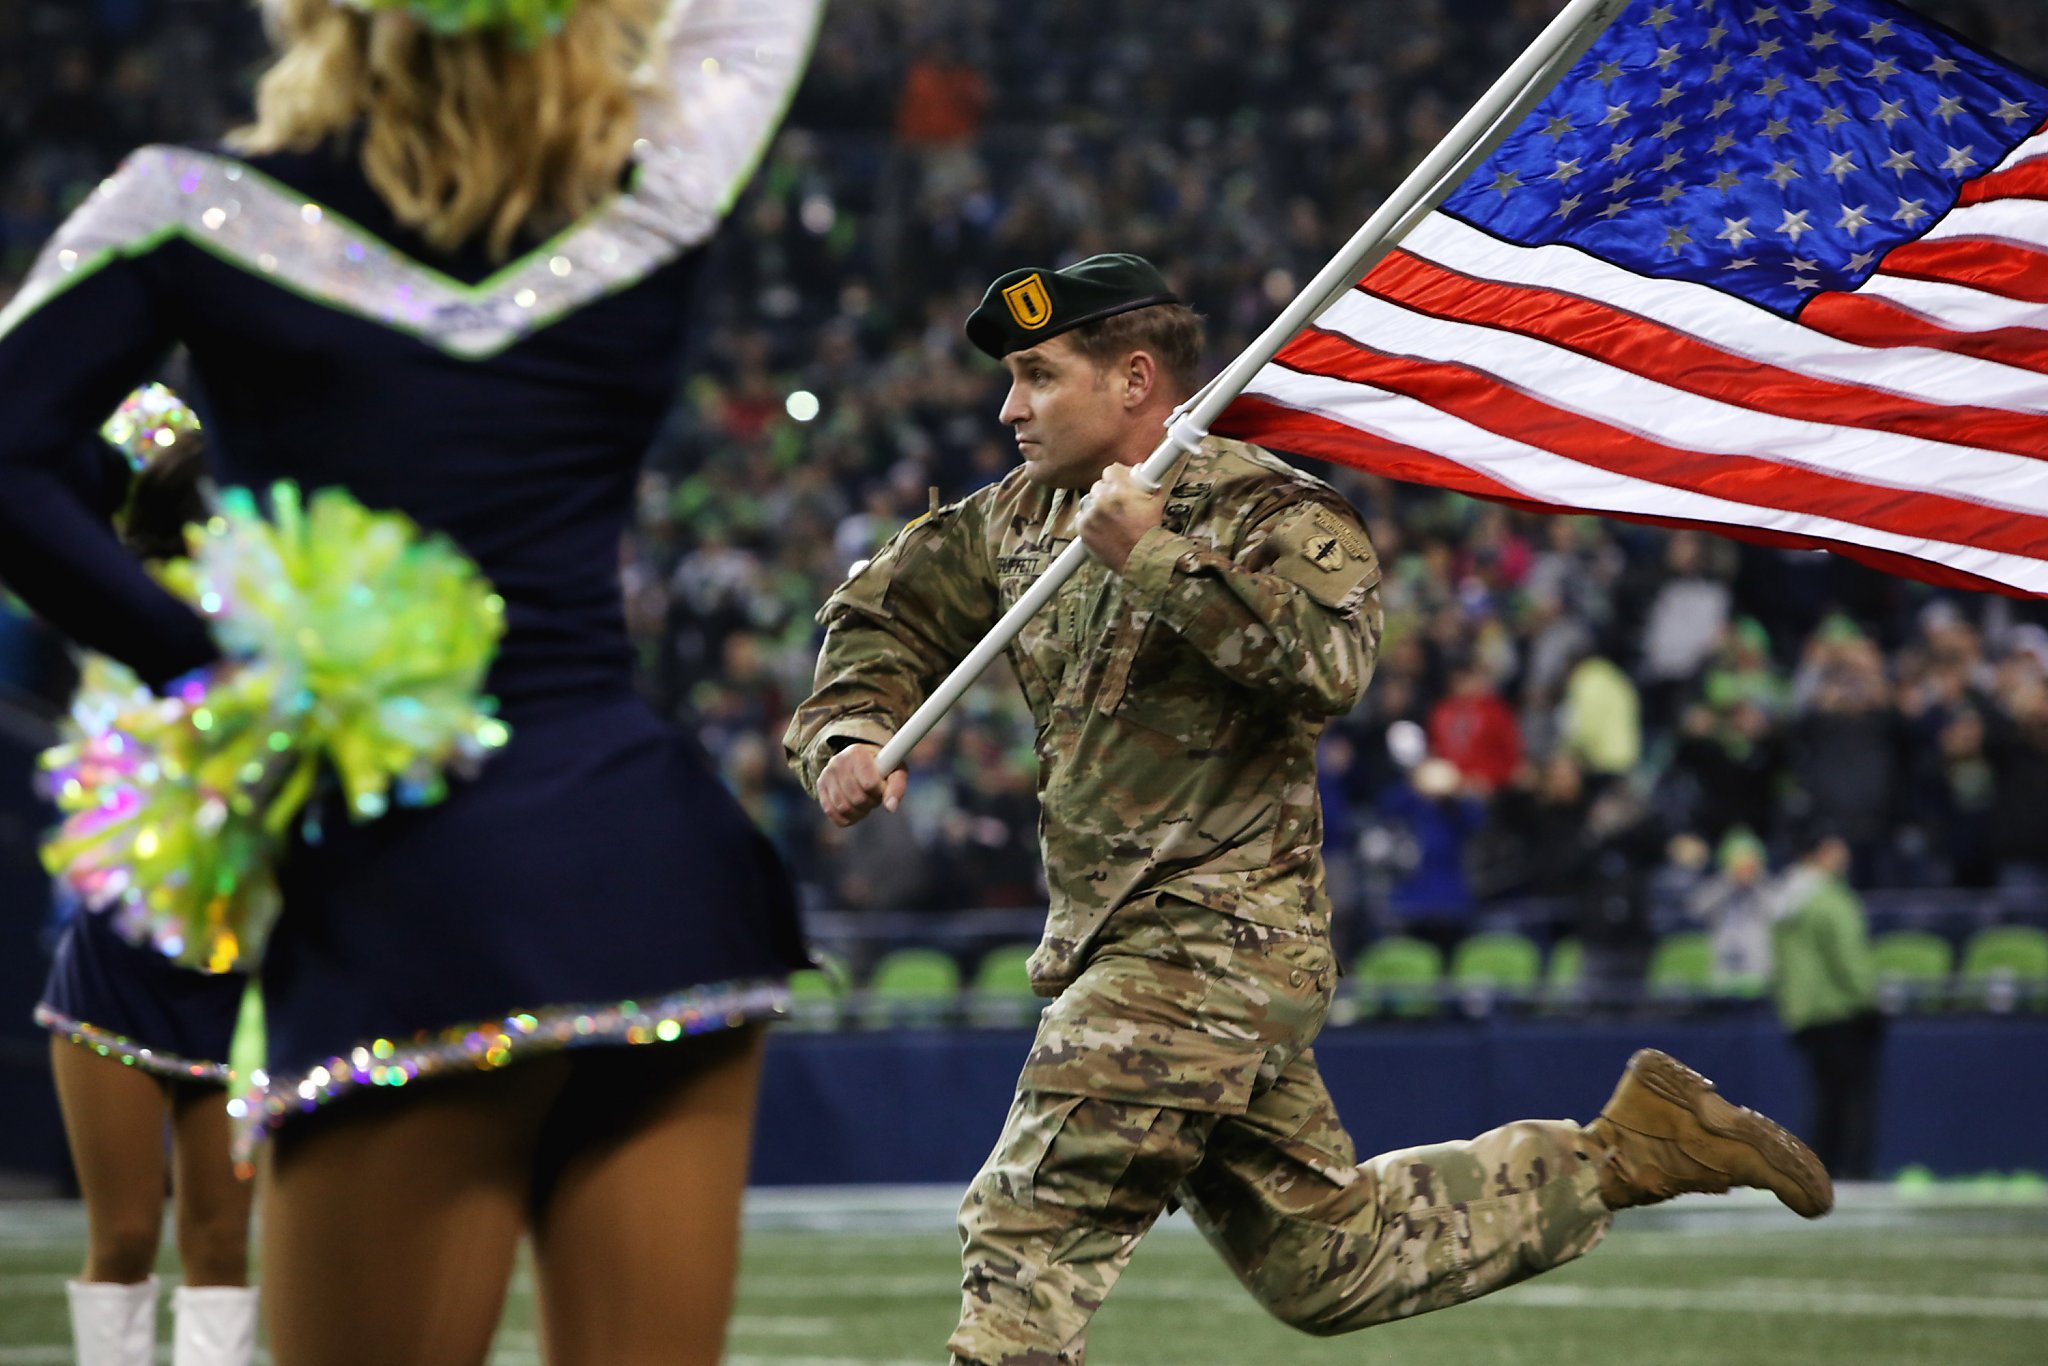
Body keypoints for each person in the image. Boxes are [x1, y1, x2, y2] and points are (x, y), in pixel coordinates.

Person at [785, 255, 1835, 1366]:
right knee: (1327, 1262)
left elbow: (1326, 662)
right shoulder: (1016, 521)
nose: (1008, 408)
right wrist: (847, 733)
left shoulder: (1267, 508)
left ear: (1133, 378)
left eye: (1038, 375)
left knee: (1033, 1215)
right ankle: (1626, 1151)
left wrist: (1152, 556)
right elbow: (882, 616)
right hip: (1123, 940)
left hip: (1214, 941)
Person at [0, 1, 821, 1362]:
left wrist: (207, 672)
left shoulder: (189, 210)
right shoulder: (663, 187)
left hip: (407, 897)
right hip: (657, 873)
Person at [33, 405, 257, 1366]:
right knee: (121, 1239)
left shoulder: (282, 637)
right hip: (118, 958)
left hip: (238, 962)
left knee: (220, 1242)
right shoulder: (120, 610)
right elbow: (45, 476)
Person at [1769, 832, 1885, 1181]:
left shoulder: (1786, 897)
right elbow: (1848, 957)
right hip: (1843, 1009)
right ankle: (1854, 1171)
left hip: (1805, 1011)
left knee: (1824, 1098)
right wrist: (1870, 998)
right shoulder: (1829, 900)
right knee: (1852, 1098)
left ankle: (1823, 1169)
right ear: (1822, 853)